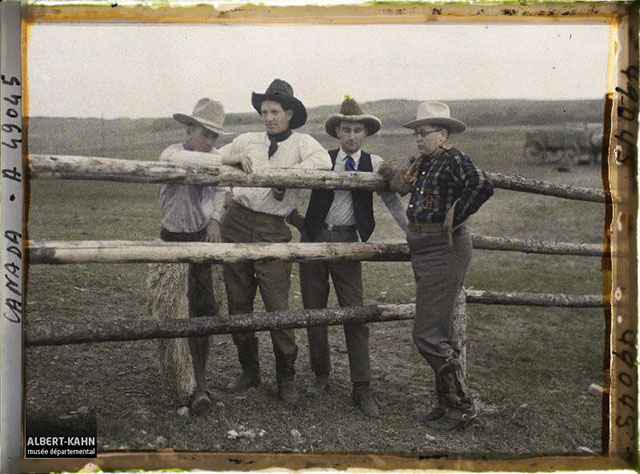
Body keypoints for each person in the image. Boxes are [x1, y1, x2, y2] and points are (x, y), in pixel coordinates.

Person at [287, 96, 408, 417]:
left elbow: (392, 200)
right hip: (312, 242)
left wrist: (412, 231)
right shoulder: (321, 160)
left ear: (365, 133)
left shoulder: (375, 163)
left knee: (355, 313)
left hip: (348, 243)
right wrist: (297, 218)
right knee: (314, 311)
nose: (351, 136)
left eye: (357, 130)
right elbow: (290, 185)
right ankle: (320, 375)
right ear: (337, 132)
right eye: (345, 130)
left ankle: (362, 386)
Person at [220, 79, 332, 405]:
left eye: (275, 111)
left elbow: (323, 163)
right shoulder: (247, 139)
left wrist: (284, 175)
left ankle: (286, 377)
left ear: (289, 113)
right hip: (236, 223)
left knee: (277, 306)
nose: (268, 117)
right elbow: (215, 158)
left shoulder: (303, 143)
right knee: (238, 302)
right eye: (264, 111)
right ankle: (249, 369)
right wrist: (234, 160)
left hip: (272, 229)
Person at [392, 101, 494, 431]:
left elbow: (481, 184)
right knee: (437, 330)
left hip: (443, 249)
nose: (419, 138)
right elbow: (397, 176)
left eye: (425, 133)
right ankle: (445, 402)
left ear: (444, 135)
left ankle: (462, 407)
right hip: (425, 249)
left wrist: (456, 214)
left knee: (427, 335)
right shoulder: (424, 161)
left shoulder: (452, 158)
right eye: (417, 133)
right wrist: (390, 173)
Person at [157, 98, 250, 416]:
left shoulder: (215, 158)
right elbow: (188, 162)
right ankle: (177, 380)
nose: (209, 141)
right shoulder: (172, 153)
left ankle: (199, 383)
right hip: (172, 243)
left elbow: (216, 193)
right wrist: (227, 159)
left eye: (214, 136)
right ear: (189, 129)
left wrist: (213, 219)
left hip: (200, 240)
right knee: (173, 313)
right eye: (204, 133)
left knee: (203, 308)